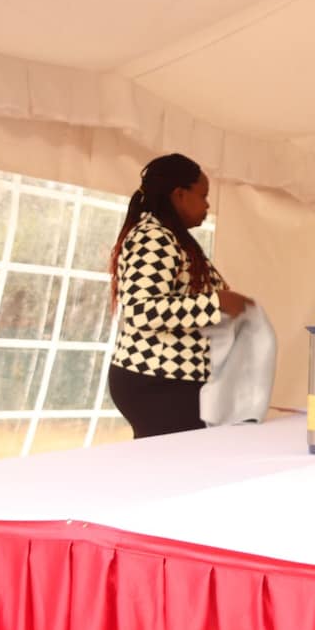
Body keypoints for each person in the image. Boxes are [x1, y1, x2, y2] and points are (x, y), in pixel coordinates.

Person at [107, 153, 253, 438]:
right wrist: (217, 303)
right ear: (180, 194)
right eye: (203, 196)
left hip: (171, 378)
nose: (207, 205)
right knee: (177, 460)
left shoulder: (170, 237)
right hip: (157, 380)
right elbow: (142, 310)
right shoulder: (153, 237)